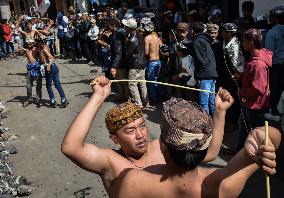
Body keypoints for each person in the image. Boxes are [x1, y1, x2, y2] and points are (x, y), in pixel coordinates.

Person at [62, 76, 280, 198]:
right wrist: (98, 97)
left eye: (142, 126)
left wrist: (220, 112)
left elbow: (211, 151)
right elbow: (71, 147)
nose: (140, 135)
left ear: (165, 147)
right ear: (114, 139)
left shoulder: (136, 173)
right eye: (129, 131)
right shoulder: (113, 163)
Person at [233, 28, 272, 151]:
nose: (242, 43)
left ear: (251, 42)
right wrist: (241, 76)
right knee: (243, 128)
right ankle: (239, 150)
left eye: (243, 41)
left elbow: (258, 89)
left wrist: (242, 92)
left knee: (255, 133)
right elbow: (252, 76)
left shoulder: (258, 64)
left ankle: (254, 158)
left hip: (255, 105)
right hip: (250, 103)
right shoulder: (254, 58)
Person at [192, 22, 218, 116]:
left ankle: (206, 126)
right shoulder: (206, 40)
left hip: (205, 75)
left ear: (194, 31)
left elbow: (201, 60)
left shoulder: (197, 41)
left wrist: (197, 75)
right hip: (212, 74)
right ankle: (215, 124)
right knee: (212, 102)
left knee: (204, 103)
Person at [35, 37, 69, 108]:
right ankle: (63, 99)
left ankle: (53, 100)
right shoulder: (41, 49)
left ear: (41, 42)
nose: (36, 43)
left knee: (49, 85)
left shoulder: (44, 49)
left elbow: (52, 58)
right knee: (57, 84)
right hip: (53, 68)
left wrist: (49, 65)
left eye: (37, 42)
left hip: (51, 68)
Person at [122, 18, 148, 108]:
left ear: (129, 27)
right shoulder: (139, 34)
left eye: (126, 26)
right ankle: (146, 101)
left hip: (135, 64)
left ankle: (138, 104)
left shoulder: (132, 39)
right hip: (142, 63)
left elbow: (128, 53)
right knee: (142, 83)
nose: (125, 27)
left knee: (132, 84)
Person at [264, 6, 284, 122]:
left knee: (275, 89)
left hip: (275, 65)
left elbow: (268, 52)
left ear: (275, 19)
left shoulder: (272, 33)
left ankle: (275, 112)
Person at [144, 22, 162, 105]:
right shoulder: (157, 37)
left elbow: (146, 52)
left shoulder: (147, 38)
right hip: (158, 61)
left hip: (151, 62)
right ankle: (159, 96)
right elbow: (161, 46)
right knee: (156, 80)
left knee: (151, 82)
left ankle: (154, 99)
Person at [22, 38, 43, 108]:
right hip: (29, 69)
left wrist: (40, 52)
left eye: (31, 43)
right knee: (28, 85)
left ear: (33, 43)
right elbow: (17, 52)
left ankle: (38, 99)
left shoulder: (36, 49)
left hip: (37, 68)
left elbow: (42, 59)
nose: (29, 44)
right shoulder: (26, 50)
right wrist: (19, 51)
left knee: (38, 85)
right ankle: (29, 99)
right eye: (28, 43)